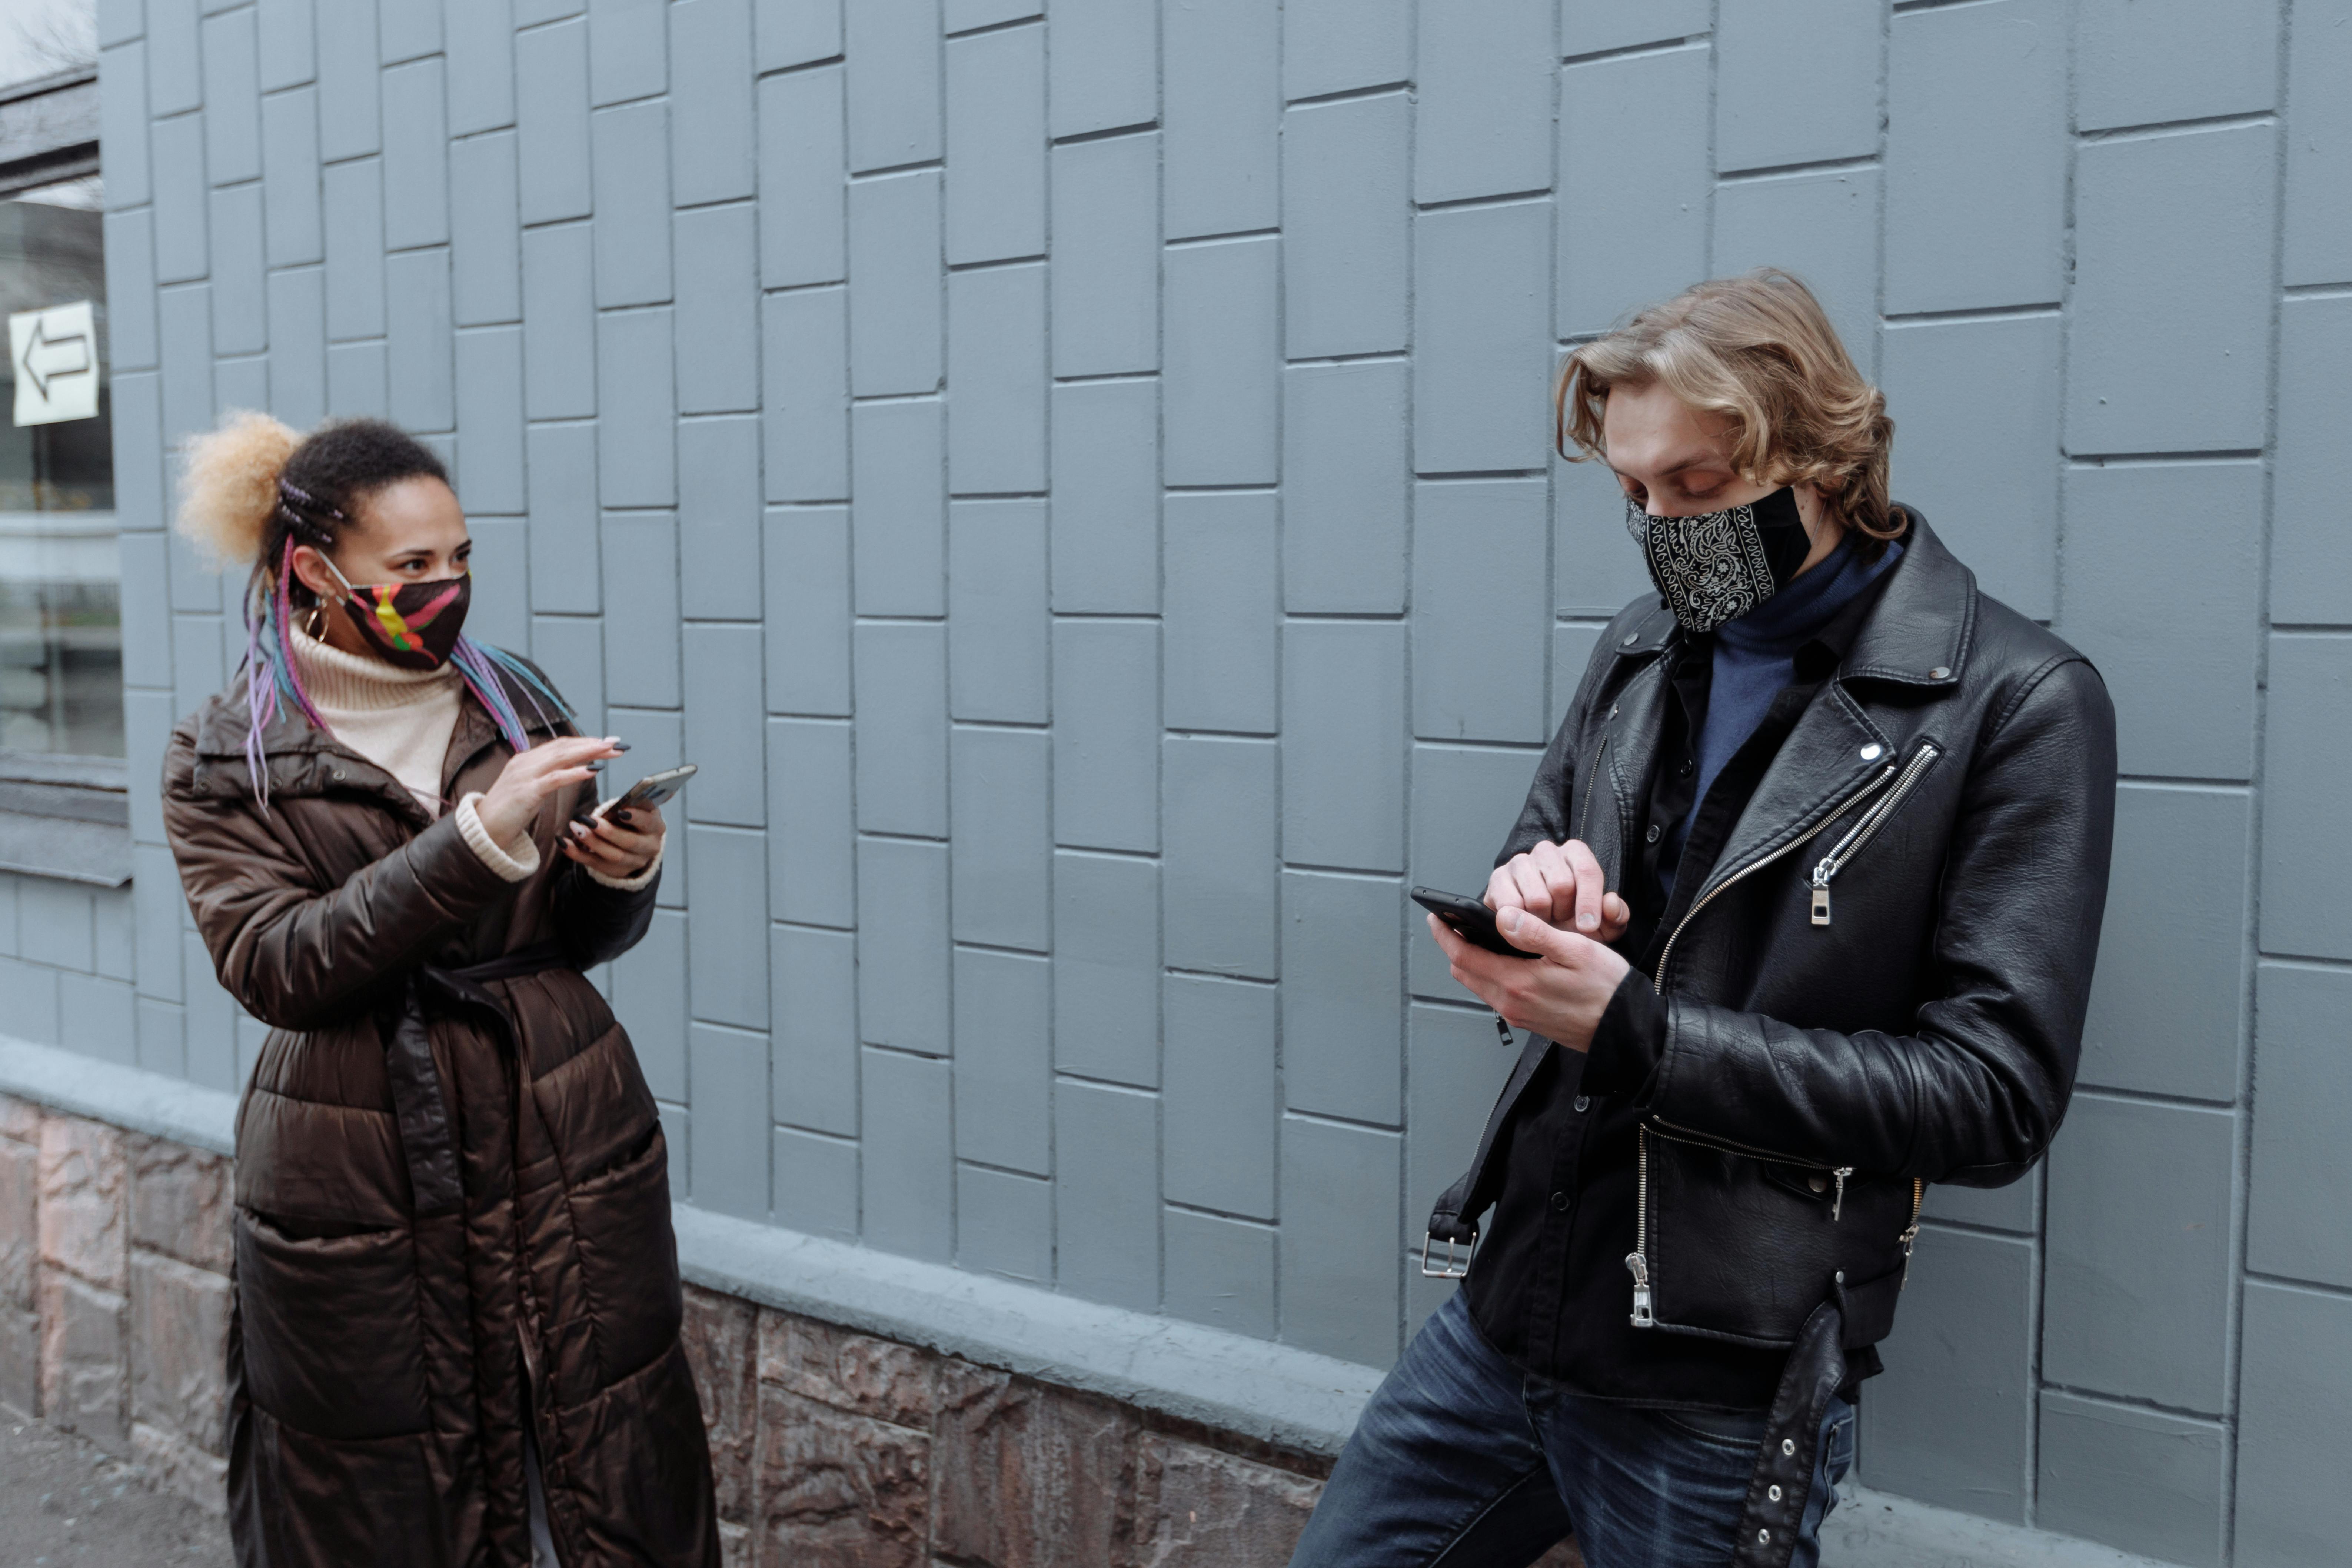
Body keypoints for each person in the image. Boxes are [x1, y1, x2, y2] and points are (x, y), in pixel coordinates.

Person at [1289, 272, 2117, 1568]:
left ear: (1827, 457)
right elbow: (1539, 837)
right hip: (1511, 1307)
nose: (1664, 526)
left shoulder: (2014, 703)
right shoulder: (1643, 642)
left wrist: (1643, 1033)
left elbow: (1993, 1097)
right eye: (1634, 492)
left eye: (1698, 486)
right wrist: (1534, 893)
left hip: (1719, 1375)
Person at [163, 412, 720, 1566]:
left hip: (562, 1134)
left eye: (459, 557)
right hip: (358, 1159)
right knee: (389, 1484)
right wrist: (473, 838)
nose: (446, 585)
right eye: (411, 566)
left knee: (601, 1452)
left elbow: (565, 936)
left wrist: (622, 875)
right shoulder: (230, 756)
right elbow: (275, 961)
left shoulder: (513, 698)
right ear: (315, 572)